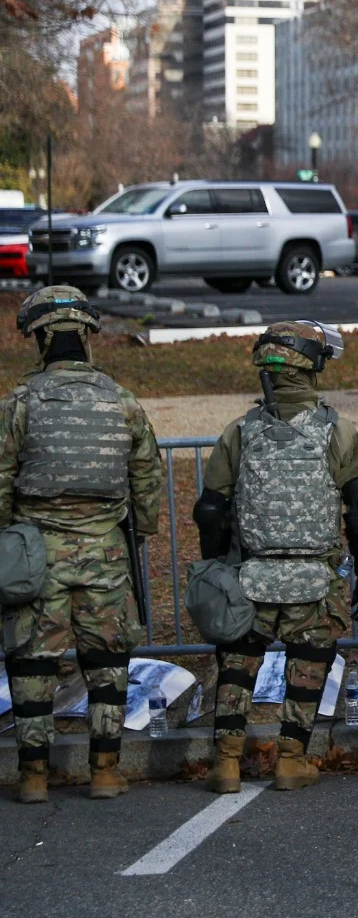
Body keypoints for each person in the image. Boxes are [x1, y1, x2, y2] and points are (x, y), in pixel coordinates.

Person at [194, 320, 358, 793]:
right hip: (314, 578)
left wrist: (218, 568)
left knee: (237, 662)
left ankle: (227, 762)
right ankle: (291, 760)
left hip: (251, 573)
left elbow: (211, 508)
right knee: (309, 662)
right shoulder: (338, 431)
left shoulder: (240, 432)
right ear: (315, 365)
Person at [2, 286, 162, 803]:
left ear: (42, 339)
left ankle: (33, 775)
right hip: (106, 553)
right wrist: (143, 524)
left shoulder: (20, 404)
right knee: (107, 660)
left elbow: (1, 479)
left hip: (37, 554)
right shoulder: (122, 401)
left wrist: (9, 536)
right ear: (88, 337)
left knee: (32, 661)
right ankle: (107, 770)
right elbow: (147, 479)